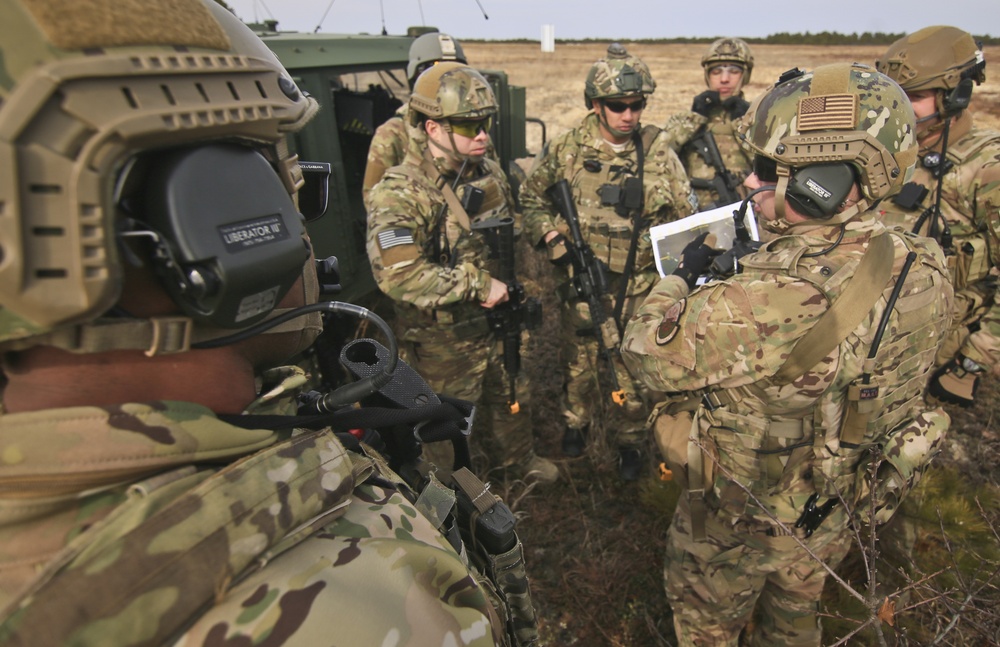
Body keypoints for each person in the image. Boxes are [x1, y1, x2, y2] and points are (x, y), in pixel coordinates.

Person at [0, 2, 507, 644]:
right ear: (229, 226)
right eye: (281, 176)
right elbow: (400, 268)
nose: (303, 209)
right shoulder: (351, 596)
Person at [621, 63, 954, 645]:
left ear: (818, 181)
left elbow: (646, 353)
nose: (757, 182)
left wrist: (681, 278)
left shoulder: (772, 296)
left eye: (773, 170)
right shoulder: (923, 259)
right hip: (832, 507)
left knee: (706, 627)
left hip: (738, 517)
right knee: (797, 618)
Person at [366, 62, 559, 484]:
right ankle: (450, 492)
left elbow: (513, 226)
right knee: (442, 421)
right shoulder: (401, 191)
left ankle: (517, 460)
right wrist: (476, 283)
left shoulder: (488, 172)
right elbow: (398, 276)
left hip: (498, 319)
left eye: (484, 124)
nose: (483, 135)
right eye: (470, 127)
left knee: (512, 391)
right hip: (444, 340)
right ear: (433, 128)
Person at [518, 43, 695, 480]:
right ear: (595, 104)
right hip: (581, 280)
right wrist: (552, 237)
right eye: (617, 106)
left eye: (637, 105)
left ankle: (630, 442)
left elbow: (686, 219)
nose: (628, 115)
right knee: (577, 361)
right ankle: (575, 422)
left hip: (638, 287)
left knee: (632, 365)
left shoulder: (659, 153)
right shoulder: (566, 149)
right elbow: (529, 197)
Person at [875, 25, 1000, 409]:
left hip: (937, 344)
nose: (900, 107)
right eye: (894, 95)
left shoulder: (986, 168)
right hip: (872, 333)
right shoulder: (884, 152)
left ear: (956, 95)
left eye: (914, 96)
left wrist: (974, 359)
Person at [362, 31, 478, 208]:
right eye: (435, 71)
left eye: (455, 73)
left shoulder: (474, 127)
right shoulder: (392, 133)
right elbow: (373, 199)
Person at [662, 37, 755, 211]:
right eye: (716, 71)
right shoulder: (687, 120)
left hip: (745, 212)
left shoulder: (758, 117)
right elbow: (660, 153)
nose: (724, 79)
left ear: (745, 75)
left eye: (734, 71)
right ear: (707, 75)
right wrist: (696, 117)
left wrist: (743, 122)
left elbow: (767, 166)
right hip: (694, 214)